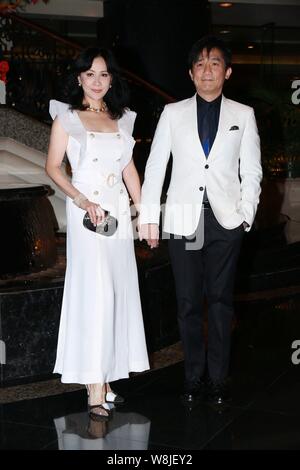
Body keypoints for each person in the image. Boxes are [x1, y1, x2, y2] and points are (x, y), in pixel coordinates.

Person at [139, 36, 262, 405]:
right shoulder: (172, 113)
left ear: (226, 72)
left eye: (214, 63)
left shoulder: (244, 115)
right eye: (200, 64)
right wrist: (149, 217)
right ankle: (193, 376)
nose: (207, 70)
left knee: (221, 301)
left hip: (225, 222)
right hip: (182, 221)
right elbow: (156, 166)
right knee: (189, 302)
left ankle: (219, 377)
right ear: (191, 74)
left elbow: (252, 171)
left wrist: (246, 214)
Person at [46, 47, 150, 421]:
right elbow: (53, 167)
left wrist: (147, 214)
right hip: (87, 213)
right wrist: (80, 199)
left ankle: (106, 380)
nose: (96, 81)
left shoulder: (122, 120)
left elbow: (130, 171)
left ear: (112, 80)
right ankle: (93, 386)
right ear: (79, 79)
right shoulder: (67, 118)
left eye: (103, 74)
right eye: (89, 74)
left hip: (118, 212)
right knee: (97, 293)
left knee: (117, 291)